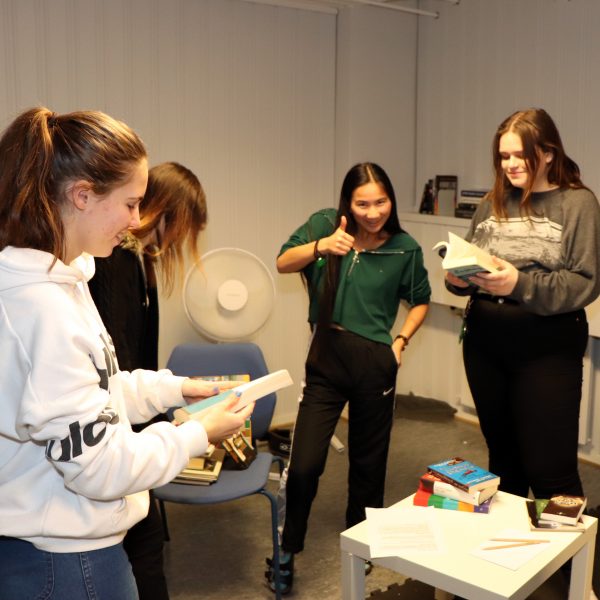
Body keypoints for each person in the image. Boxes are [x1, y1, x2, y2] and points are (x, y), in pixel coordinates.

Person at [0, 107, 252, 600]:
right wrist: (197, 433)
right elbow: (99, 467)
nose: (138, 220)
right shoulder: (41, 308)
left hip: (64, 548)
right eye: (131, 203)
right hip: (65, 560)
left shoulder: (65, 280)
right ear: (82, 196)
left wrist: (174, 389)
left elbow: (97, 389)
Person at [266, 162, 431, 593]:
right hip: (326, 360)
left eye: (381, 202)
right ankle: (287, 547)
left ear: (391, 201)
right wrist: (322, 246)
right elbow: (283, 262)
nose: (373, 212)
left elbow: (420, 300)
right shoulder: (326, 224)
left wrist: (400, 342)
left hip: (375, 363)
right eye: (362, 204)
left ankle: (363, 544)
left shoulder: (405, 249)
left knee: (368, 465)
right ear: (348, 202)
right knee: (304, 464)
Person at [445, 108, 600, 501]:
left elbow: (585, 281)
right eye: (504, 156)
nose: (510, 165)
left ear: (547, 154)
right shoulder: (492, 202)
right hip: (484, 343)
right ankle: (510, 542)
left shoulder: (577, 203)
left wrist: (519, 283)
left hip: (546, 346)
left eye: (520, 155)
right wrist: (457, 279)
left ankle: (569, 545)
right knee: (504, 461)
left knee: (550, 470)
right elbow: (471, 259)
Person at [88, 161, 207, 600]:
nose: (184, 238)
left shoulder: (140, 261)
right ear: (170, 213)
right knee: (145, 546)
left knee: (145, 544)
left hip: (131, 415)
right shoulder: (116, 262)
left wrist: (165, 398)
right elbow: (115, 358)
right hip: (115, 427)